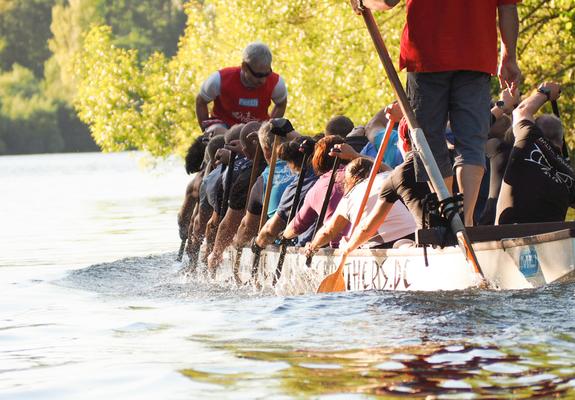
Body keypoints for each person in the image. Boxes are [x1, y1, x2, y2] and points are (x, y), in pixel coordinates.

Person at [351, 0, 522, 226]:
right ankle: (467, 219)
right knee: (471, 142)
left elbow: (388, 1)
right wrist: (509, 55)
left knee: (428, 140)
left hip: (426, 54)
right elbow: (508, 6)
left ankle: (449, 213)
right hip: (476, 54)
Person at [495, 82, 575, 224]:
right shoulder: (570, 176)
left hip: (508, 234)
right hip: (551, 241)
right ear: (561, 142)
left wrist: (545, 91)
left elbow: (522, 111)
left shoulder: (530, 138)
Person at [305, 157, 416, 256]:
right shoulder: (389, 176)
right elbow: (386, 167)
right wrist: (354, 154)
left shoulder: (349, 197)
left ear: (350, 179)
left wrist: (313, 246)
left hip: (382, 247)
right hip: (415, 235)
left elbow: (328, 232)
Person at [195, 42, 288, 129]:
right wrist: (205, 129)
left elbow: (281, 104)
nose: (263, 80)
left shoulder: (277, 83)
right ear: (244, 67)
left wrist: (268, 128)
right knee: (219, 134)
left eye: (267, 74)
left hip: (255, 129)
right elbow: (200, 101)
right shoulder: (219, 79)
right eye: (258, 75)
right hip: (222, 126)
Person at [282, 135, 349, 247]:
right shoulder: (365, 172)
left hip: (341, 248)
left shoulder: (318, 187)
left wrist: (283, 236)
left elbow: (297, 226)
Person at [254, 137, 319, 248]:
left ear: (291, 162)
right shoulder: (334, 174)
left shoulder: (297, 187)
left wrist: (257, 244)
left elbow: (271, 230)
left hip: (306, 247)